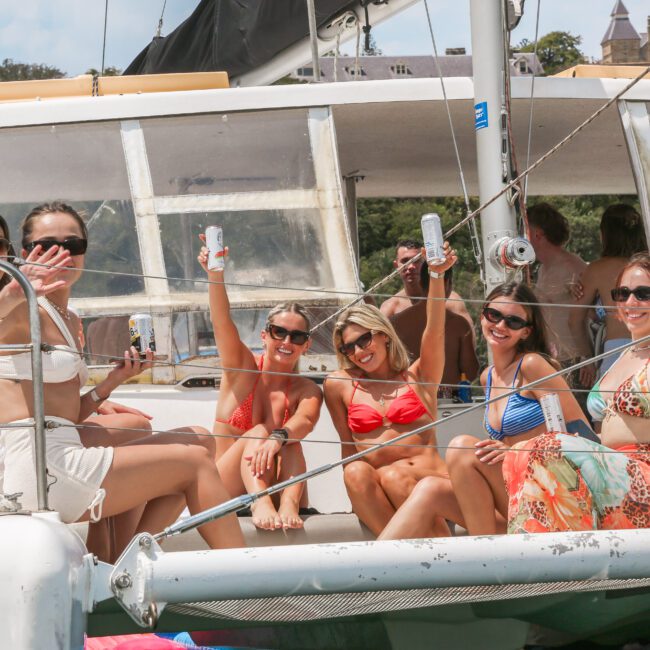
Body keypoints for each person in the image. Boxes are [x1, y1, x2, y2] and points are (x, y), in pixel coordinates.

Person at [0, 202, 244, 553]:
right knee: (193, 463)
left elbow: (63, 415)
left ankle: (118, 559)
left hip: (56, 445)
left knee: (200, 439)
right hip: (39, 469)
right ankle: (238, 577)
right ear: (24, 254)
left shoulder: (68, 319)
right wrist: (14, 290)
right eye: (48, 245)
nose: (62, 253)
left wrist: (112, 383)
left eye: (73, 245)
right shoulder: (24, 308)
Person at [378, 282, 591, 540]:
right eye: (494, 315)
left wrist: (516, 451)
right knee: (430, 488)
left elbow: (582, 435)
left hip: (551, 495)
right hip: (517, 494)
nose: (500, 326)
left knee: (461, 447)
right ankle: (360, 574)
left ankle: (485, 563)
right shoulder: (487, 377)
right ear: (483, 316)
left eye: (513, 322)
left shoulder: (533, 366)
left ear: (526, 332)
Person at [505, 253, 650, 533]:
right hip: (611, 472)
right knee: (520, 451)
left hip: (641, 477)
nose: (630, 303)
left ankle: (559, 555)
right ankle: (538, 552)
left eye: (643, 294)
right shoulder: (622, 357)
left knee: (549, 446)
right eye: (622, 293)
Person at [324, 243, 457, 538]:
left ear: (383, 335)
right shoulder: (338, 386)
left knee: (395, 476)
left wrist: (436, 276)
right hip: (380, 489)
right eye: (348, 348)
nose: (358, 352)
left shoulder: (419, 376)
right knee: (354, 473)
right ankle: (401, 561)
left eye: (364, 340)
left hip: (429, 482)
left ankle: (439, 559)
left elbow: (434, 327)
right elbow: (348, 450)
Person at [198, 238, 322, 531]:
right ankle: (260, 499)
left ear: (307, 346)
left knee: (288, 437)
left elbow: (305, 421)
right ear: (265, 335)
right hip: (226, 492)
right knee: (261, 431)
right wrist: (215, 275)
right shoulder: (242, 369)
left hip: (283, 492)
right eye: (279, 332)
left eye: (297, 337)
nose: (287, 342)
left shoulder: (308, 390)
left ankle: (290, 504)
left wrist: (279, 437)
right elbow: (221, 321)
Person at [568, 204, 647, 387]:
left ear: (604, 234)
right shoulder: (647, 266)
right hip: (645, 342)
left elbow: (574, 320)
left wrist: (586, 358)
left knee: (608, 408)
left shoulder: (596, 269)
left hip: (615, 349)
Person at [390, 264, 478, 397]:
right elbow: (471, 372)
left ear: (420, 282)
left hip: (406, 398)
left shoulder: (394, 323)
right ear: (447, 283)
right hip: (450, 403)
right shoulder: (459, 324)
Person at [527, 203, 588, 363]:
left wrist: (586, 358)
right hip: (551, 359)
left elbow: (591, 315)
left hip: (575, 361)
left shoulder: (573, 266)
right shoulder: (542, 269)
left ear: (537, 234)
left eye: (524, 231)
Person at [380, 239, 426, 318]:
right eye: (405, 261)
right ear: (396, 266)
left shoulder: (447, 300)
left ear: (426, 262)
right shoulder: (390, 308)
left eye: (417, 260)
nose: (411, 266)